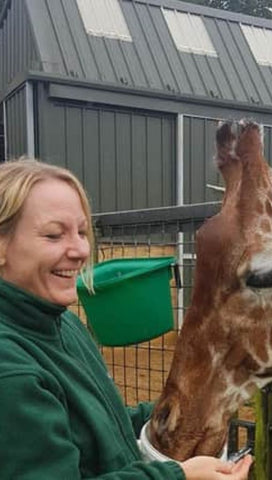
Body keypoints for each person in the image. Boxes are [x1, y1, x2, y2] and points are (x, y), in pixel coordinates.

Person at [0, 158, 253, 479]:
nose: (79, 250)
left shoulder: (64, 324)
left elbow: (98, 426)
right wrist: (179, 476)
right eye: (53, 235)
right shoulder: (10, 370)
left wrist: (180, 410)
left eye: (81, 232)